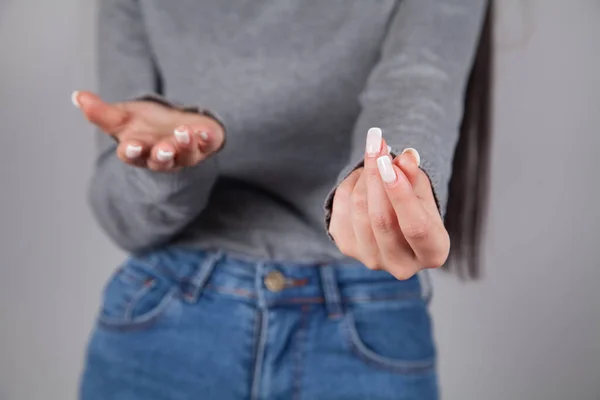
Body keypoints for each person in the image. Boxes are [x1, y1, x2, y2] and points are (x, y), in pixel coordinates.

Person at [76, 0, 490, 398]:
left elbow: (417, 81)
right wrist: (169, 167)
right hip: (164, 327)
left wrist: (387, 186)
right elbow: (123, 220)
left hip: (364, 320)